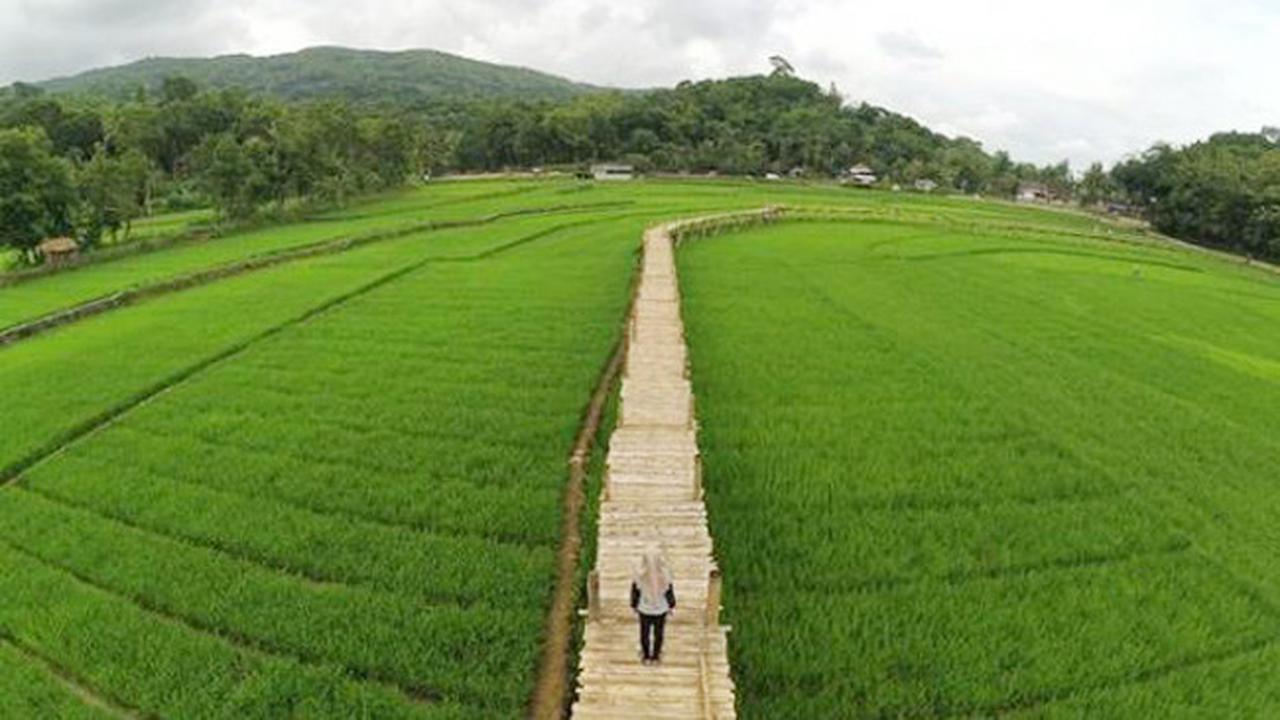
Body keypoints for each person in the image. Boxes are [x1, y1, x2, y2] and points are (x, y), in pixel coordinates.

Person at [630, 546, 676, 665]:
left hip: (644, 608)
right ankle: (656, 656)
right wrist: (671, 605)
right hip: (661, 609)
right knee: (659, 633)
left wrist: (634, 605)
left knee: (644, 632)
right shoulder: (665, 574)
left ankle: (646, 656)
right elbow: (669, 591)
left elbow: (635, 591)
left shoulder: (640, 574)